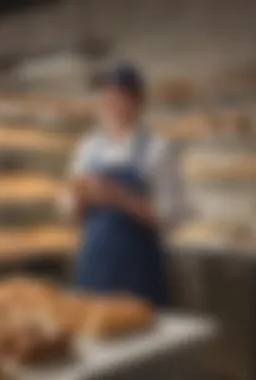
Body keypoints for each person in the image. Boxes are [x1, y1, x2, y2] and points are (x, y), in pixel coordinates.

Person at [60, 63, 186, 307]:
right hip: (93, 266)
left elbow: (170, 217)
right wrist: (76, 201)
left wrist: (118, 197)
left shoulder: (158, 149)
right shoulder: (87, 149)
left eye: (118, 96)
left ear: (137, 101)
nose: (110, 103)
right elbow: (69, 213)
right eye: (103, 96)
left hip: (137, 270)